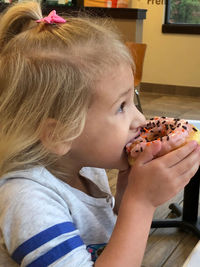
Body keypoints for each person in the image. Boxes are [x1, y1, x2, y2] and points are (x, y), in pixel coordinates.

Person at [0, 2, 199, 266]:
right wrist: (141, 204)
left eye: (133, 100)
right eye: (121, 107)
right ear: (60, 133)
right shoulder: (26, 199)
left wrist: (125, 199)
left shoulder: (86, 168)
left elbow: (104, 236)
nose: (140, 120)